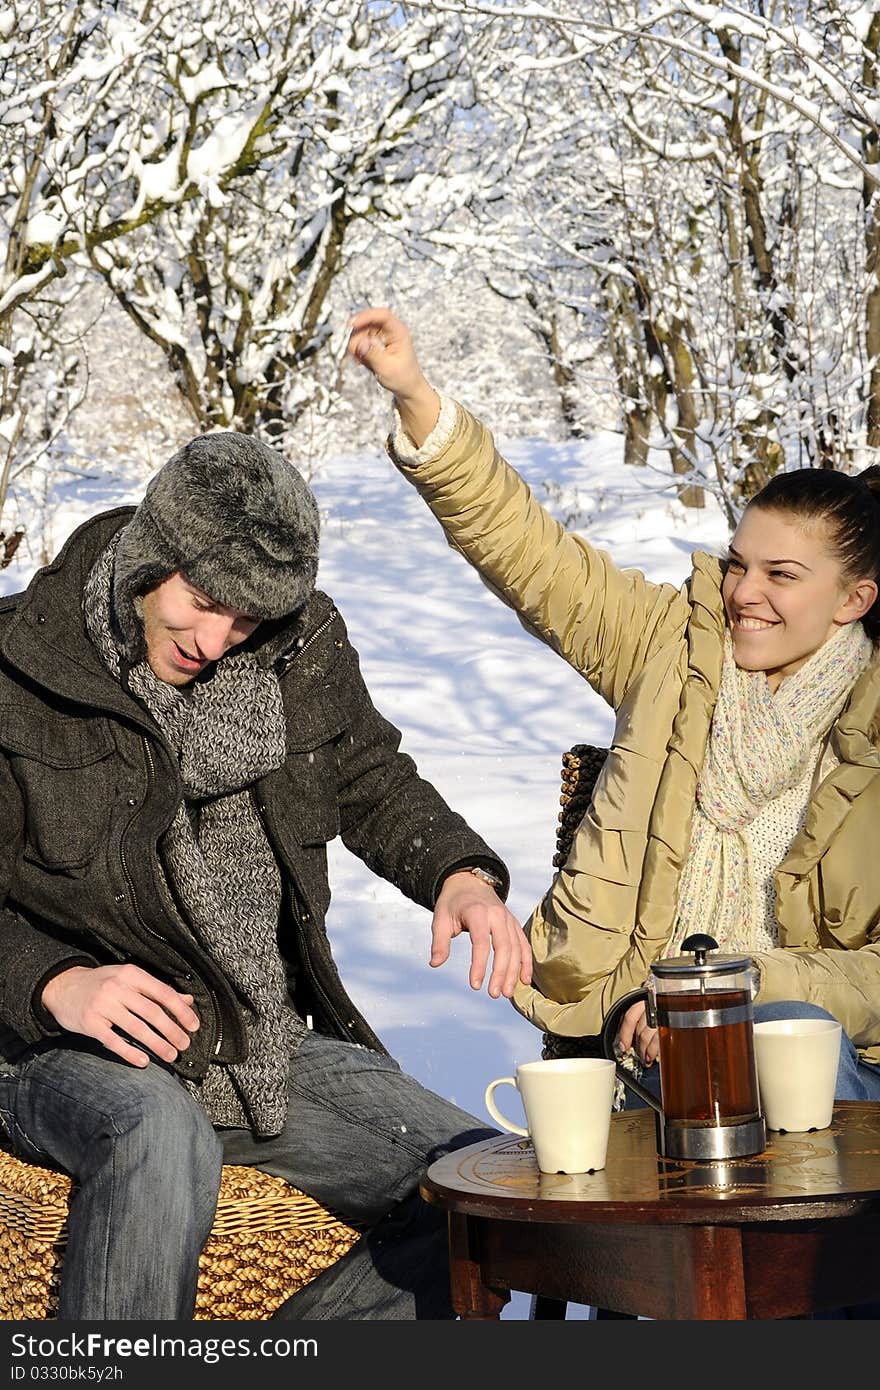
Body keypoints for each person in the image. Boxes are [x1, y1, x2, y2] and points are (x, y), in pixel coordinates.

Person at [0, 428, 532, 1320]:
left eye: (245, 620)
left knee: (489, 1189)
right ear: (148, 559)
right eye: (201, 602)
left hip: (248, 1035)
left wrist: (459, 872)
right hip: (46, 1044)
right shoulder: (22, 661)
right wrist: (59, 982)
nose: (214, 639)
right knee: (159, 1131)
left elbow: (367, 775)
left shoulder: (299, 651)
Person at [348, 305, 880, 1110]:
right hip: (649, 1050)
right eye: (738, 566)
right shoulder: (669, 646)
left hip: (828, 1067)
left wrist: (724, 994)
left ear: (853, 600)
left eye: (782, 576)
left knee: (797, 1048)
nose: (746, 595)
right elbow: (531, 554)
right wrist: (416, 394)